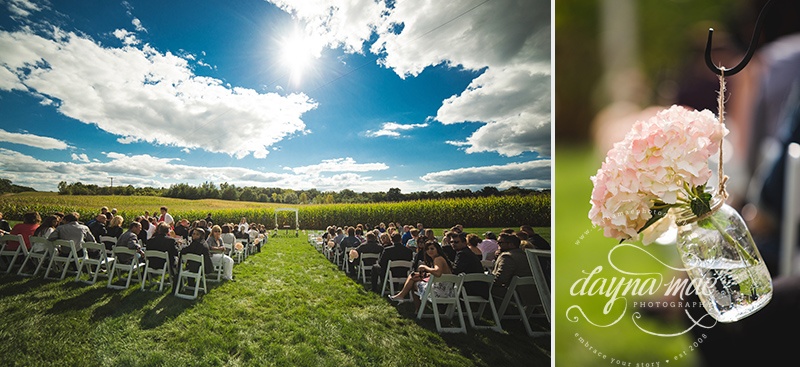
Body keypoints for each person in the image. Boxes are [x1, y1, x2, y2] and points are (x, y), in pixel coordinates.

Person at [389, 240, 454, 312]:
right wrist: (424, 275)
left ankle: (418, 309)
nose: (429, 251)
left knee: (414, 284)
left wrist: (424, 267)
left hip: (440, 291)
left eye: (432, 248)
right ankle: (402, 296)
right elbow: (439, 273)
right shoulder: (440, 259)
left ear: (437, 249)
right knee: (413, 277)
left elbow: (437, 272)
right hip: (447, 291)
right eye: (427, 249)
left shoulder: (438, 259)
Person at [491, 232, 538, 307]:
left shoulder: (507, 257)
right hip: (533, 294)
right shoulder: (524, 255)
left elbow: (501, 279)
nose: (498, 245)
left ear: (511, 244)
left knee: (483, 289)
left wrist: (487, 282)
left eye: (500, 243)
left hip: (517, 294)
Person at [450, 231, 489, 299]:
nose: (453, 244)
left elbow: (455, 271)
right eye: (451, 242)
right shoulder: (467, 252)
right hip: (480, 287)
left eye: (456, 242)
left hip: (471, 288)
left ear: (465, 243)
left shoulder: (462, 254)